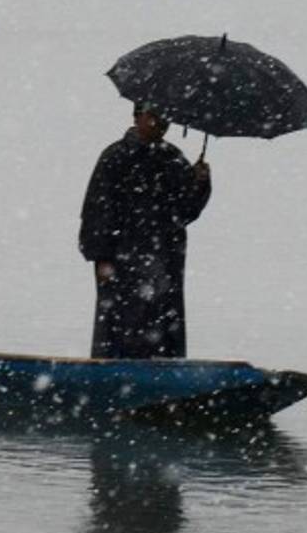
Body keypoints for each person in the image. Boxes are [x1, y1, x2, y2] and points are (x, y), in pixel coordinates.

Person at [79, 103, 211, 358]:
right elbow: (96, 211)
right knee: (120, 330)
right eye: (155, 116)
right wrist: (102, 257)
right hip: (123, 259)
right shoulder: (115, 157)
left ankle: (164, 377)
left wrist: (200, 183)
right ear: (138, 116)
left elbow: (186, 210)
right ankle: (115, 377)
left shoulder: (173, 159)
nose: (161, 123)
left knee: (163, 329)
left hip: (166, 260)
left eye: (166, 117)